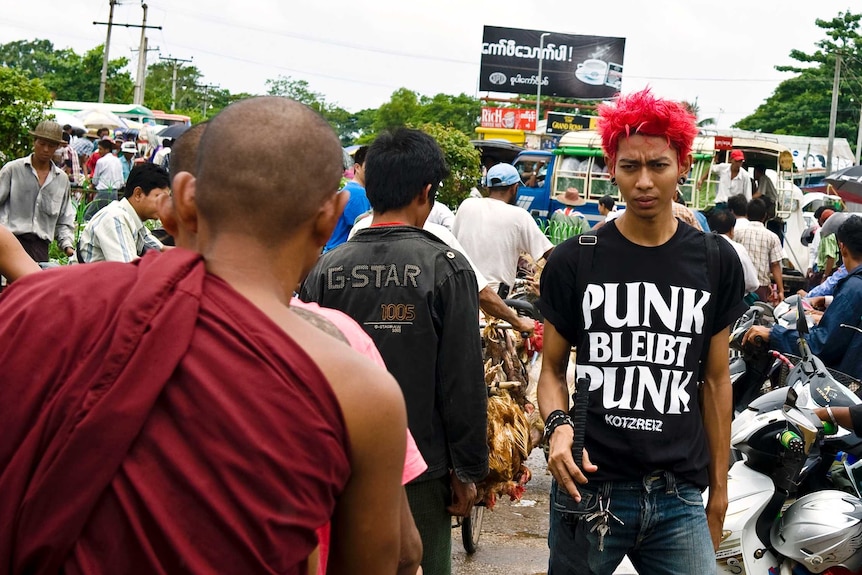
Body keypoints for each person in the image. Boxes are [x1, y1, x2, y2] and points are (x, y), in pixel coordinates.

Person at [0, 96, 409, 574]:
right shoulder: (360, 393)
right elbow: (392, 558)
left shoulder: (39, 306)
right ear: (332, 213)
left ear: (184, 197)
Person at [166, 120, 424, 575]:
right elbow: (401, 554)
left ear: (183, 199)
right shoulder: (345, 359)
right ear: (333, 215)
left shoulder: (63, 310)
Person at [537, 88, 746, 575]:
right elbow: (551, 370)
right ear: (612, 168)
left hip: (678, 496)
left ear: (683, 168)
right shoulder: (576, 260)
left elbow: (715, 381)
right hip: (588, 489)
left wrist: (719, 492)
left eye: (659, 165)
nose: (644, 181)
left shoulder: (715, 260)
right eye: (630, 166)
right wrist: (557, 428)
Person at [301, 127, 488, 575]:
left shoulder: (326, 267)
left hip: (335, 465)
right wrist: (469, 471)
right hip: (422, 472)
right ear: (426, 193)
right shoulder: (446, 267)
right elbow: (462, 379)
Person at [744, 216, 862, 380]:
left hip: (848, 384)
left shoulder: (853, 288)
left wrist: (773, 334)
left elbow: (820, 345)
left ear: (842, 247)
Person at [453, 162, 554, 298]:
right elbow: (550, 254)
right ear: (514, 188)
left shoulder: (466, 205)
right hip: (493, 299)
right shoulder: (518, 216)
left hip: (459, 292)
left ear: (488, 187)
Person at [0, 120, 76, 262]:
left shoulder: (61, 180)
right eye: (42, 144)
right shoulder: (12, 170)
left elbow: (64, 219)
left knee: (37, 283)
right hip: (10, 243)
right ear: (34, 142)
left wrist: (67, 247)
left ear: (58, 147)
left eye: (51, 145)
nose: (46, 149)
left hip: (40, 248)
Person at [78, 163, 171, 263]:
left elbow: (161, 249)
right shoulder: (115, 218)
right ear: (138, 194)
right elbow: (128, 268)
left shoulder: (134, 220)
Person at [734, 198, 785, 304]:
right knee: (759, 315)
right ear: (765, 216)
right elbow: (775, 264)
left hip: (739, 285)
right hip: (761, 287)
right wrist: (781, 290)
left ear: (747, 214)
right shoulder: (772, 237)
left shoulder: (736, 233)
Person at [323, 145, 369, 252]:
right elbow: (366, 233)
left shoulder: (351, 189)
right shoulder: (358, 194)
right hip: (341, 258)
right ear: (357, 167)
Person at [708, 208, 760, 295]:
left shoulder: (701, 246)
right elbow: (752, 283)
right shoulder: (738, 249)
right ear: (732, 230)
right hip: (733, 300)